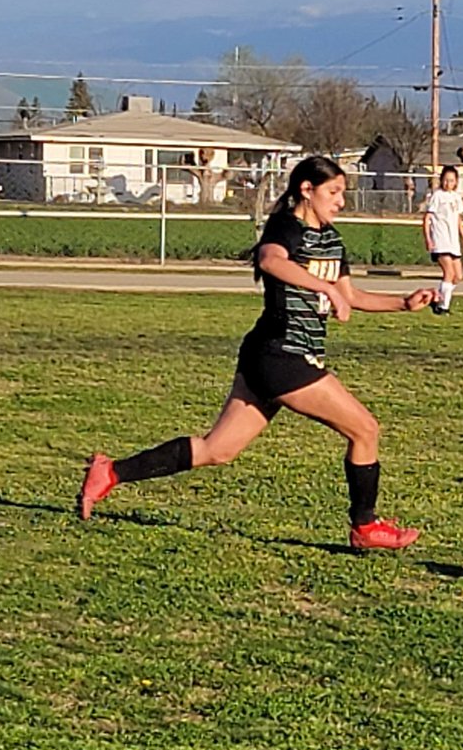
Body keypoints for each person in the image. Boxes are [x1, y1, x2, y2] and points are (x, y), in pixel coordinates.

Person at [77, 156, 437, 549]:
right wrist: (325, 289)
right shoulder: (286, 227)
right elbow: (271, 260)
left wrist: (403, 303)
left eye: (343, 193)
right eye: (333, 192)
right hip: (283, 355)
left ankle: (110, 472)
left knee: (217, 449)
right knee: (364, 429)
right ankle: (365, 527)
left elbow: (350, 296)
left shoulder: (332, 240)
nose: (340, 201)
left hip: (269, 356)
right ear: (307, 190)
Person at [422, 165, 463, 315]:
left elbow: (458, 220)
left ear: (456, 182)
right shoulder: (437, 196)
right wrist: (428, 239)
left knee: (458, 277)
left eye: (451, 180)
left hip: (453, 241)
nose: (448, 183)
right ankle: (443, 307)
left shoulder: (456, 198)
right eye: (445, 180)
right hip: (440, 240)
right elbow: (427, 218)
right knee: (448, 273)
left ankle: (438, 296)